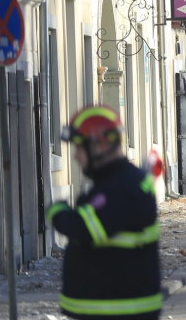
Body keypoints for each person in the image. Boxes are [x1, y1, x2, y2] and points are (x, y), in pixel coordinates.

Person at [47, 105, 161, 320]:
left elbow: (86, 228)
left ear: (100, 145)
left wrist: (58, 212)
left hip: (118, 310)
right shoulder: (118, 182)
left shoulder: (121, 187)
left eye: (79, 148)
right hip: (115, 307)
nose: (76, 157)